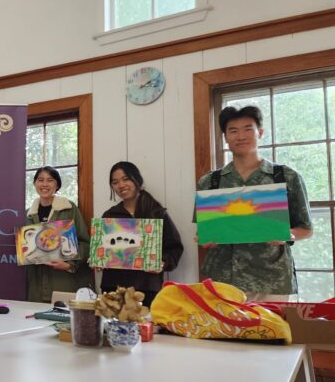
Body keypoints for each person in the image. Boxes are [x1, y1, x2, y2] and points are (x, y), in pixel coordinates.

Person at [197, 106, 312, 302]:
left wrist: (287, 235)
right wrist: (205, 238)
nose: (240, 136)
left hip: (271, 281)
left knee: (272, 332)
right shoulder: (210, 182)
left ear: (260, 132)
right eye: (233, 131)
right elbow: (203, 233)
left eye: (247, 129)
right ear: (225, 136)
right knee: (222, 333)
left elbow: (306, 229)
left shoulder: (286, 177)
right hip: (222, 281)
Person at [100, 161, 184, 307]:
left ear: (136, 179)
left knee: (146, 329)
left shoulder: (156, 213)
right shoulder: (109, 216)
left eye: (126, 179)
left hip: (147, 288)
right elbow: (101, 250)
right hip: (113, 288)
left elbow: (174, 248)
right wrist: (98, 259)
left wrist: (162, 263)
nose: (121, 185)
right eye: (115, 182)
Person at [25, 166, 94, 303]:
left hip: (64, 282)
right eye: (40, 180)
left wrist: (70, 264)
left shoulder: (69, 209)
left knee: (64, 321)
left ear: (57, 185)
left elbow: (85, 243)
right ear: (34, 184)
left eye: (50, 180)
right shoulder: (27, 214)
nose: (45, 184)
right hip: (37, 286)